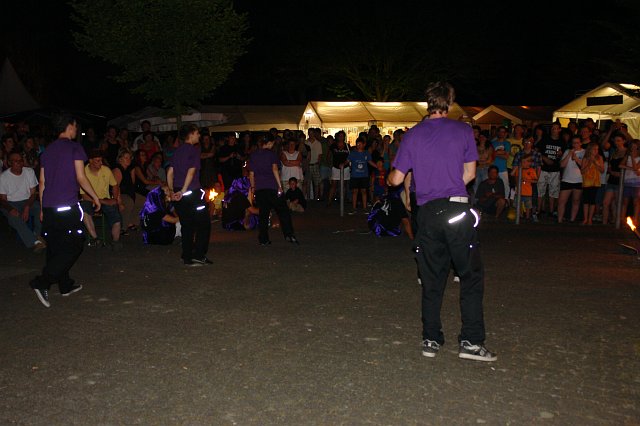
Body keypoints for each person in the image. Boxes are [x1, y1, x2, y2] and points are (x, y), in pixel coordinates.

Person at [387, 81, 496, 362]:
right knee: (470, 276)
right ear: (449, 102)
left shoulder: (412, 135)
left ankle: (431, 339)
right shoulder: (463, 131)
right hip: (456, 210)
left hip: (427, 214)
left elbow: (396, 179)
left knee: (432, 278)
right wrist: (448, 184)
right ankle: (471, 342)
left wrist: (396, 178)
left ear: (428, 103)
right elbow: (470, 174)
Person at [29, 112, 101, 308]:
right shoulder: (74, 147)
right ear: (69, 126)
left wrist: (42, 208)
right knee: (75, 245)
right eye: (75, 126)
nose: (76, 129)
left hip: (50, 207)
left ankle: (65, 284)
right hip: (66, 207)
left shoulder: (47, 151)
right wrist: (95, 197)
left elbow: (42, 182)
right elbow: (81, 177)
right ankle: (42, 282)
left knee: (56, 247)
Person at [167, 124, 212, 266]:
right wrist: (183, 190)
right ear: (191, 134)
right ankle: (198, 254)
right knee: (204, 224)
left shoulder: (177, 151)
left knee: (187, 225)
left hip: (178, 192)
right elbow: (191, 172)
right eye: (197, 133)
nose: (199, 135)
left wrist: (172, 191)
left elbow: (170, 172)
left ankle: (186, 256)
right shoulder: (194, 150)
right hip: (191, 192)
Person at [248, 135, 299, 245]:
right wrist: (279, 186)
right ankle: (289, 234)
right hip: (272, 186)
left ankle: (263, 239)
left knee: (263, 214)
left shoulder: (253, 155)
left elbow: (251, 174)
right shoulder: (271, 154)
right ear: (269, 143)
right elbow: (275, 169)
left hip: (260, 188)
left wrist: (253, 189)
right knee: (283, 211)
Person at [0, 152, 46, 251]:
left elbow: (33, 194)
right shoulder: (3, 177)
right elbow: (2, 199)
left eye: (21, 160)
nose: (19, 163)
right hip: (10, 203)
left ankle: (37, 235)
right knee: (14, 217)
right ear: (9, 163)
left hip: (27, 200)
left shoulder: (29, 172)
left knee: (40, 208)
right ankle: (34, 242)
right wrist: (11, 209)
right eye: (16, 161)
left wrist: (27, 206)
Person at [80, 149, 124, 249]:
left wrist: (115, 198)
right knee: (84, 210)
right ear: (90, 160)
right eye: (98, 161)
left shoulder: (106, 170)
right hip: (90, 199)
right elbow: (84, 195)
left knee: (115, 214)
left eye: (101, 160)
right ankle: (95, 238)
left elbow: (114, 185)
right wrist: (99, 201)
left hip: (104, 199)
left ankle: (115, 240)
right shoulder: (83, 172)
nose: (100, 163)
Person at [557, 135, 585, 223]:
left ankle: (572, 220)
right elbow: (562, 165)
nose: (575, 145)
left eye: (577, 143)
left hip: (579, 180)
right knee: (561, 201)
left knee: (576, 201)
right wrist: (569, 154)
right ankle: (559, 220)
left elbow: (584, 166)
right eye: (574, 143)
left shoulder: (584, 152)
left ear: (581, 143)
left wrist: (576, 158)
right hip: (566, 179)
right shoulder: (567, 151)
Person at [347, 136, 376, 214]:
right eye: (357, 144)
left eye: (360, 144)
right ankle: (354, 208)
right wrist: (343, 164)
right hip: (355, 175)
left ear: (364, 144)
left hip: (364, 175)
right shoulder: (353, 153)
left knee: (364, 191)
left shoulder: (366, 153)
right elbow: (347, 161)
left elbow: (370, 161)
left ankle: (365, 208)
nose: (358, 146)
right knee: (355, 192)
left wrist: (377, 166)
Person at [580, 142, 604, 225]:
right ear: (589, 150)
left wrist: (595, 162)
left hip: (595, 182)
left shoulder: (599, 158)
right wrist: (589, 163)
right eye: (594, 149)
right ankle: (585, 219)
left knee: (592, 201)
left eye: (597, 149)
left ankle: (590, 219)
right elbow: (582, 171)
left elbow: (602, 170)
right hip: (587, 182)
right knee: (586, 201)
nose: (596, 151)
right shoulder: (585, 158)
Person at [511, 153, 538, 221]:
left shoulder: (531, 170)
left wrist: (527, 180)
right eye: (522, 162)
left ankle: (527, 217)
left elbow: (535, 180)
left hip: (528, 192)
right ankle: (519, 216)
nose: (522, 163)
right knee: (518, 204)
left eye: (524, 162)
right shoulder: (519, 169)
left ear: (529, 163)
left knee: (528, 206)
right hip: (519, 192)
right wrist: (516, 167)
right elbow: (512, 174)